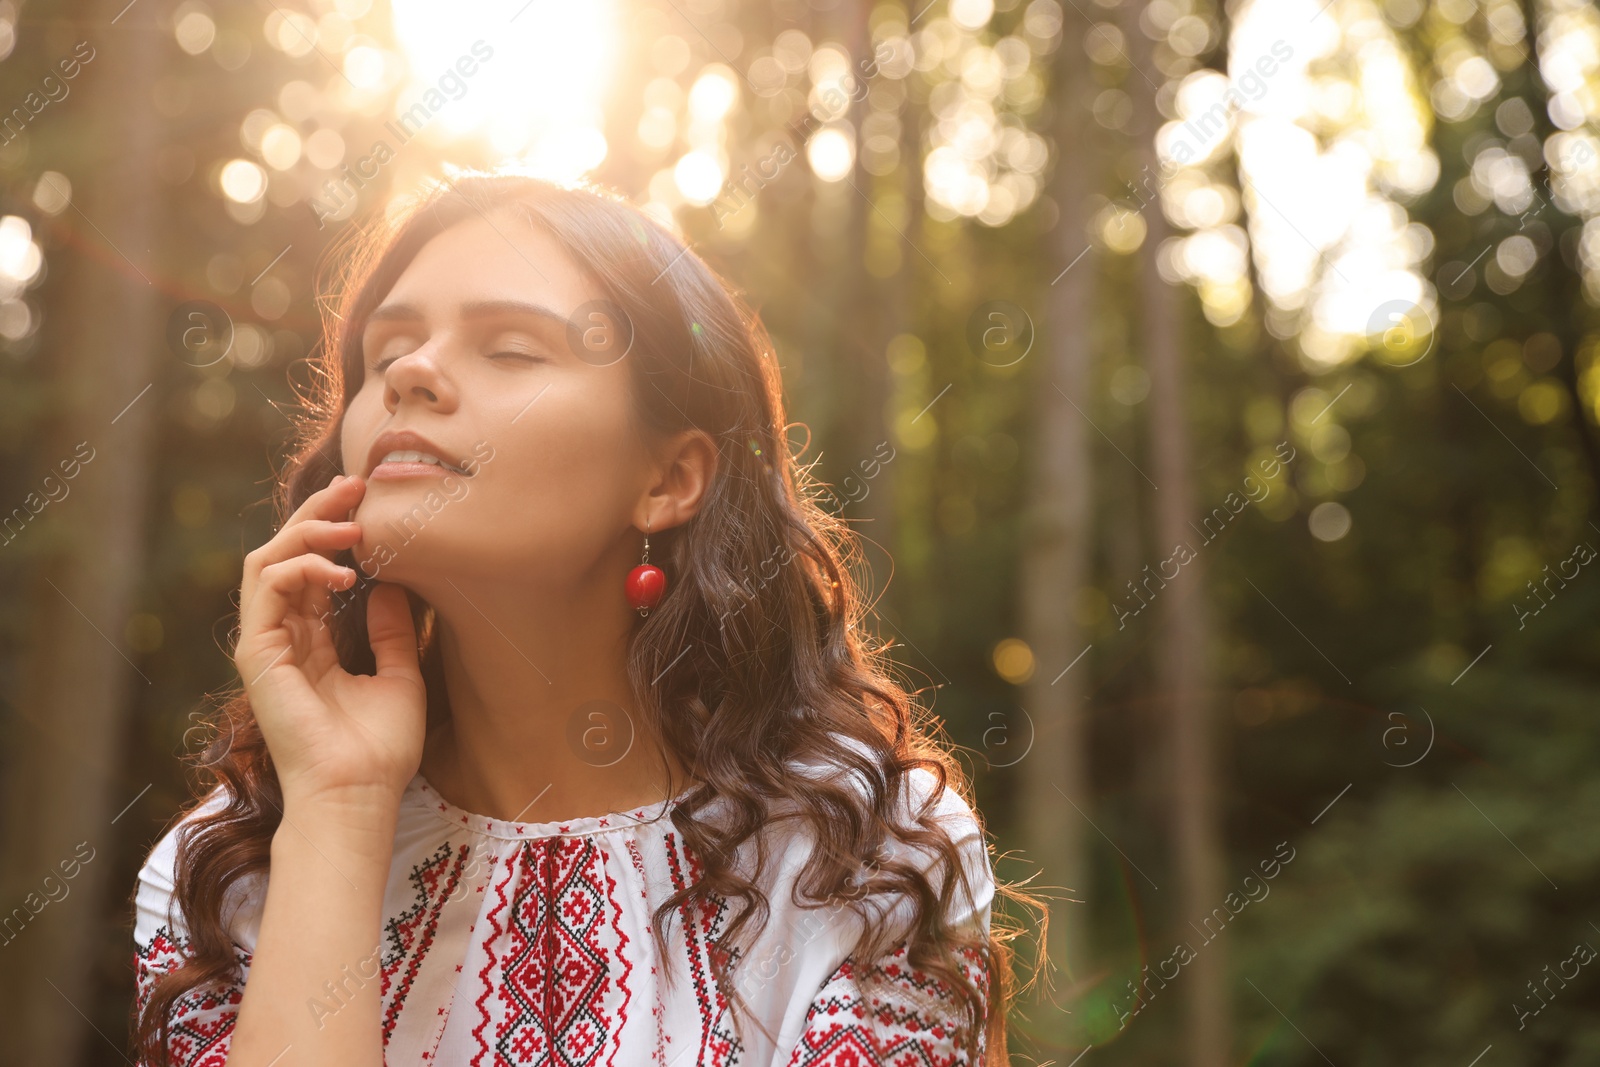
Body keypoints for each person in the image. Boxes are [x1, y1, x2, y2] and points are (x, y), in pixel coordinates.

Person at [129, 172, 1029, 1067]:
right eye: (383, 352)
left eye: (511, 348)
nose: (408, 373)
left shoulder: (866, 859)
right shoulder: (225, 876)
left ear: (667, 480)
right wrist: (338, 803)